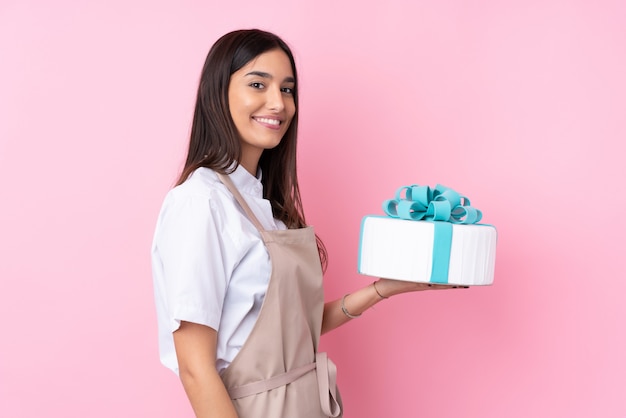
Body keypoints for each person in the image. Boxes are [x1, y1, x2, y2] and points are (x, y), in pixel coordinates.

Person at [151, 28, 457, 418]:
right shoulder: (200, 202)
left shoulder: (264, 205)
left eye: (288, 89)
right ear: (218, 94)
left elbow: (294, 331)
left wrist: (383, 290)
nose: (277, 103)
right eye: (257, 84)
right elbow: (196, 369)